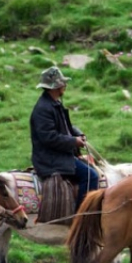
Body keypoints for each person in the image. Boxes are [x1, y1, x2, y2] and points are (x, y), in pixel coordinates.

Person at [30, 66, 98, 209]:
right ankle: (81, 216)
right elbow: (49, 137)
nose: (65, 86)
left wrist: (78, 134)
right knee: (91, 176)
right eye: (62, 84)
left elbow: (66, 126)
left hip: (59, 155)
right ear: (56, 86)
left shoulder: (53, 103)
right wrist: (74, 141)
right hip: (50, 159)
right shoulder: (43, 109)